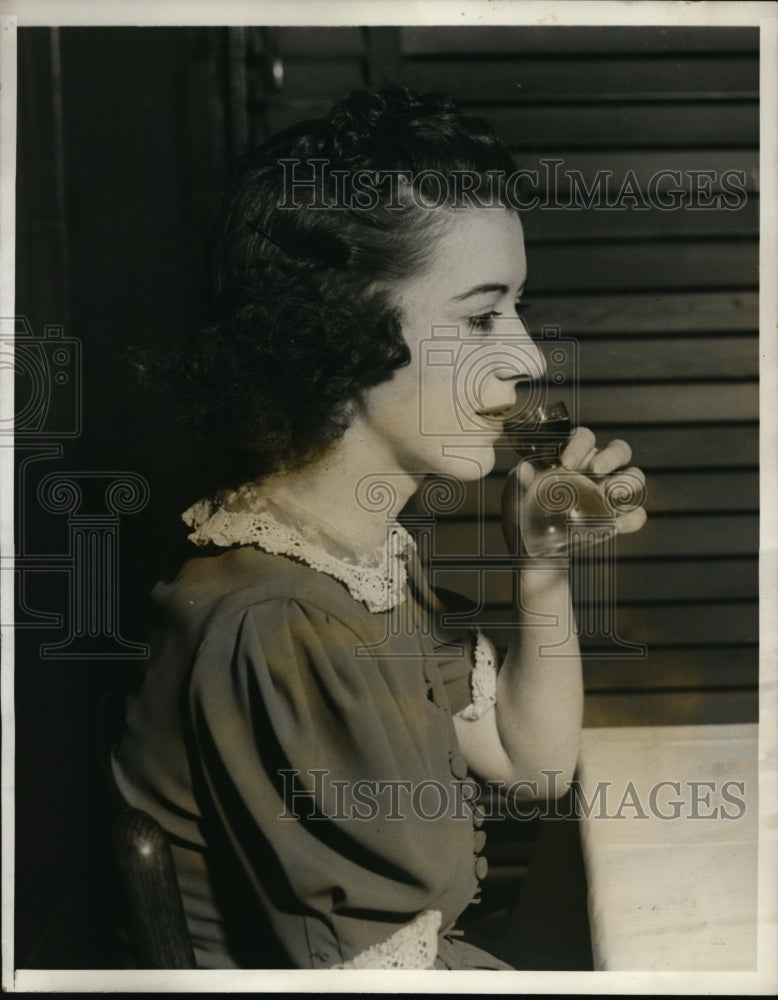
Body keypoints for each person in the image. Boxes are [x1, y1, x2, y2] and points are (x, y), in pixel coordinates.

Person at [110, 84, 647, 970]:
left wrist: (542, 565)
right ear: (346, 333)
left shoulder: (349, 559)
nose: (530, 357)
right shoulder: (284, 623)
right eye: (481, 315)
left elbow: (530, 762)